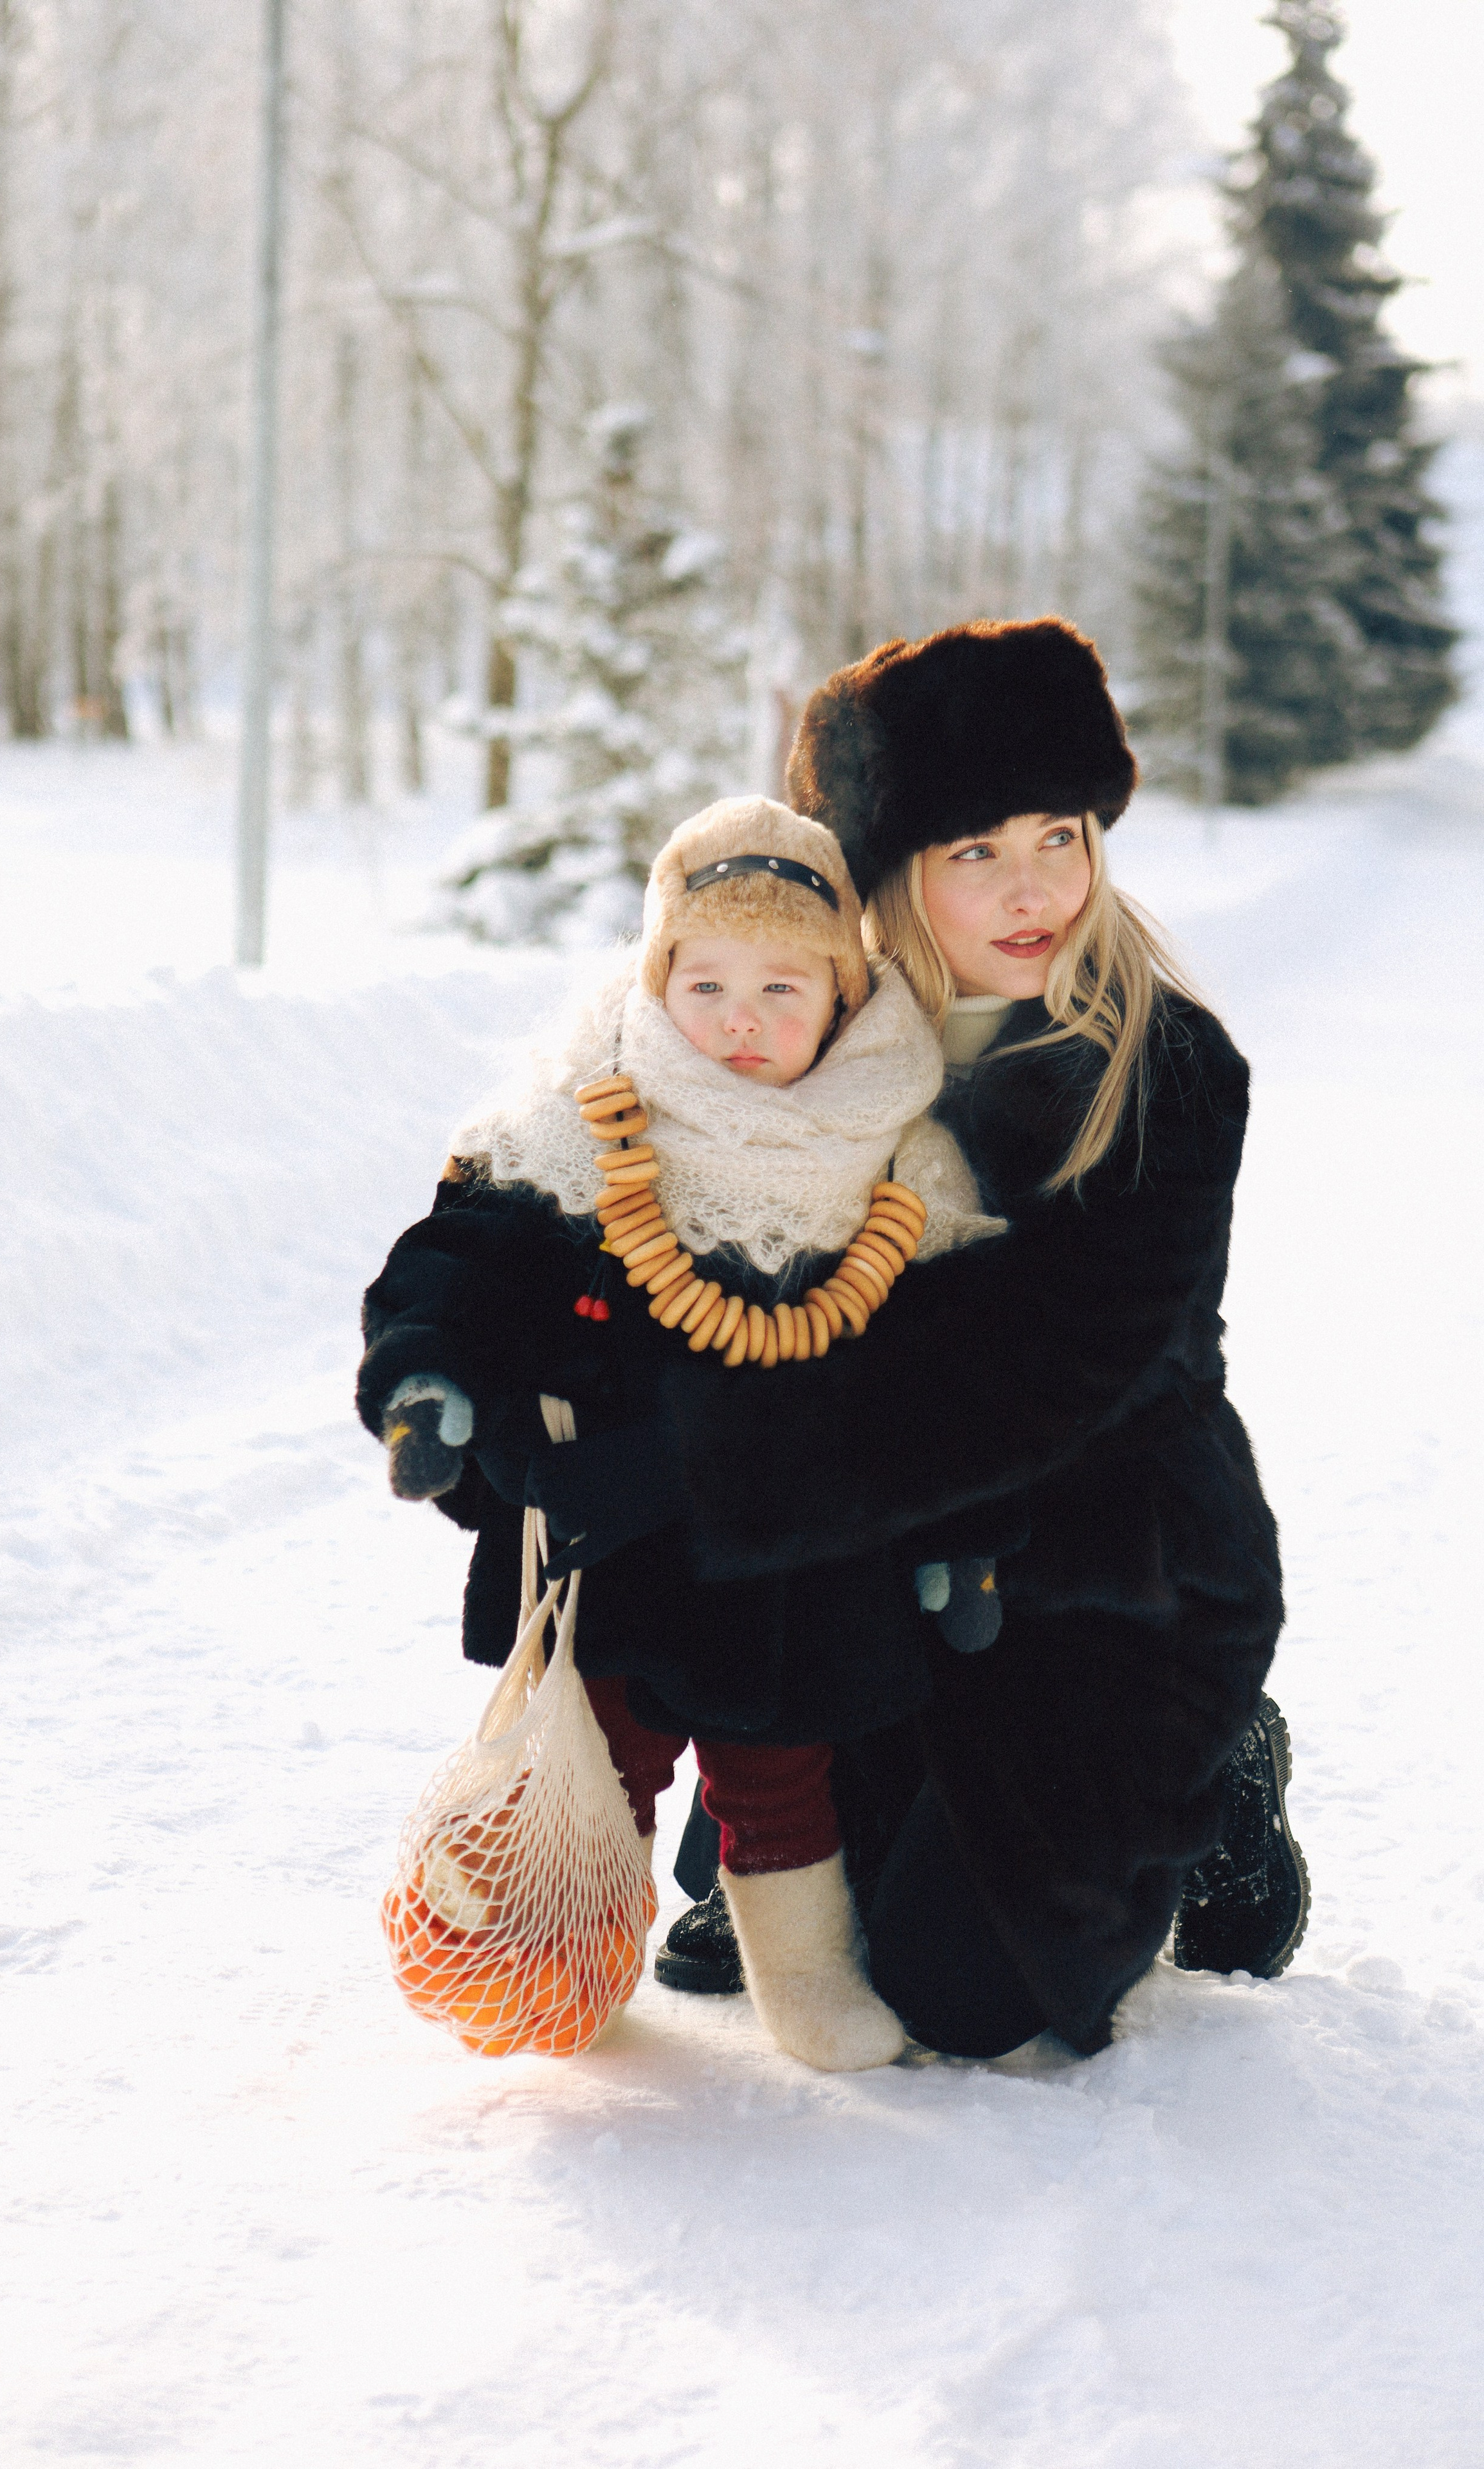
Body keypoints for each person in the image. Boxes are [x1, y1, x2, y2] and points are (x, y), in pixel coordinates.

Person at [654, 618, 1308, 2058]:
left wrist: (748, 1478)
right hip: (899, 1552)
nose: (1033, 891)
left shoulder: (1163, 1068)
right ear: (892, 875)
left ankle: (1221, 1772)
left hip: (1110, 1560)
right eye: (974, 853)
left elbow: (1046, 1379)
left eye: (1057, 837)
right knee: (799, 1893)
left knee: (964, 2003)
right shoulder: (820, 1042)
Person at [357, 796, 1003, 2070]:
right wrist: (428, 1378)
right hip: (617, 1544)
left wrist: (963, 1537)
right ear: (654, 982)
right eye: (703, 984)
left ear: (841, 995)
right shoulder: (573, 1132)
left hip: (795, 1571)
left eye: (780, 986)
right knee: (598, 1757)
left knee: (779, 1778)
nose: (739, 1019)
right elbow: (458, 1271)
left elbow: (955, 1386)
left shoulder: (898, 1165)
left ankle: (806, 1978)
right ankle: (563, 1944)